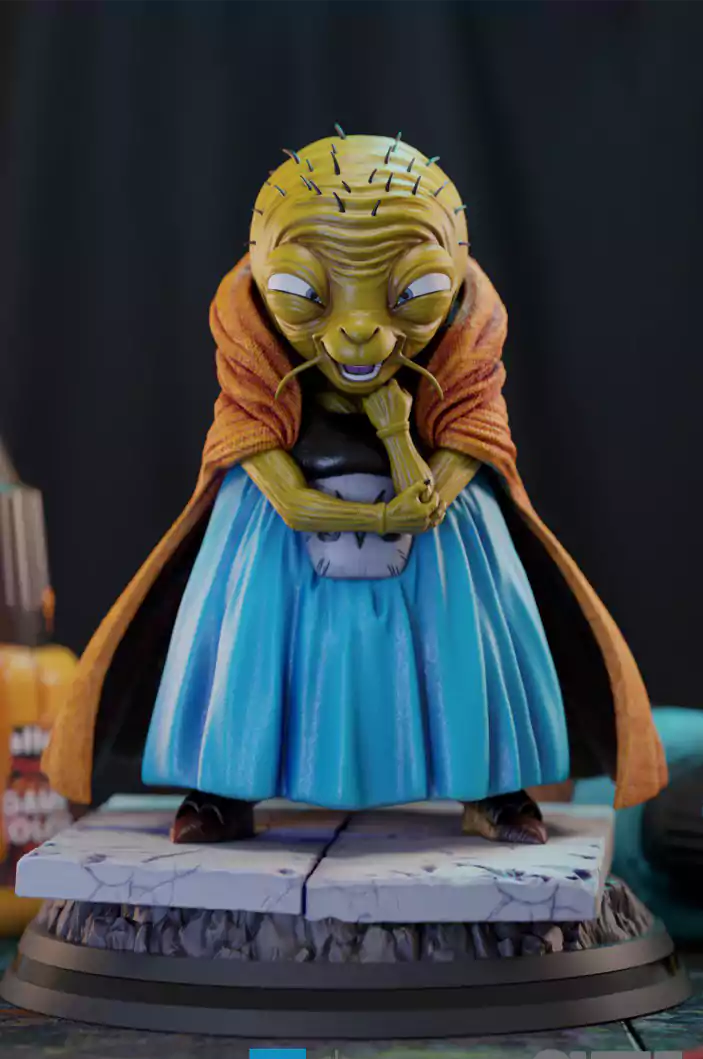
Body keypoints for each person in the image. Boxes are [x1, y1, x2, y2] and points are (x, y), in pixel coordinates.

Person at [42, 131, 666, 846]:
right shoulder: (249, 335)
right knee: (248, 648)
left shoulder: (470, 332)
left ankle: (492, 787)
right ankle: (224, 787)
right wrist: (380, 511)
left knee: (465, 649)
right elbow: (290, 499)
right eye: (307, 294)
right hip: (280, 540)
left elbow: (451, 471)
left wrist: (401, 440)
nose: (361, 329)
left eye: (413, 292)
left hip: (439, 541)